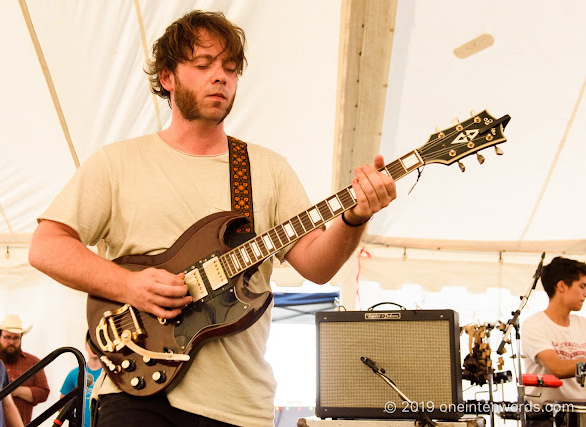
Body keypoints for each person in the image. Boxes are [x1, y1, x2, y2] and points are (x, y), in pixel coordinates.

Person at [28, 10, 396, 427]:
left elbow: (317, 266)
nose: (220, 77)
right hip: (137, 395)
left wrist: (353, 219)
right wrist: (128, 283)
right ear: (167, 77)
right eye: (203, 65)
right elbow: (46, 245)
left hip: (239, 405)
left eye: (230, 68)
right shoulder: (116, 163)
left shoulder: (266, 169)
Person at [521, 257, 586, 423]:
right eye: (582, 286)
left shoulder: (583, 324)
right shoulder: (534, 324)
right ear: (562, 286)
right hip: (545, 417)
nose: (585, 293)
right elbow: (558, 368)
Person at [0, 314, 50, 425]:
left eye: (16, 338)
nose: (11, 342)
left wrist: (16, 390)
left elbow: (43, 392)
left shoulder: (33, 362)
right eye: (7, 337)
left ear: (21, 338)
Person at [59, 334, 103, 427]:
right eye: (91, 343)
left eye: (96, 343)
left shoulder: (109, 375)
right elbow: (61, 405)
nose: (93, 347)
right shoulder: (74, 374)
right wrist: (73, 419)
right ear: (86, 346)